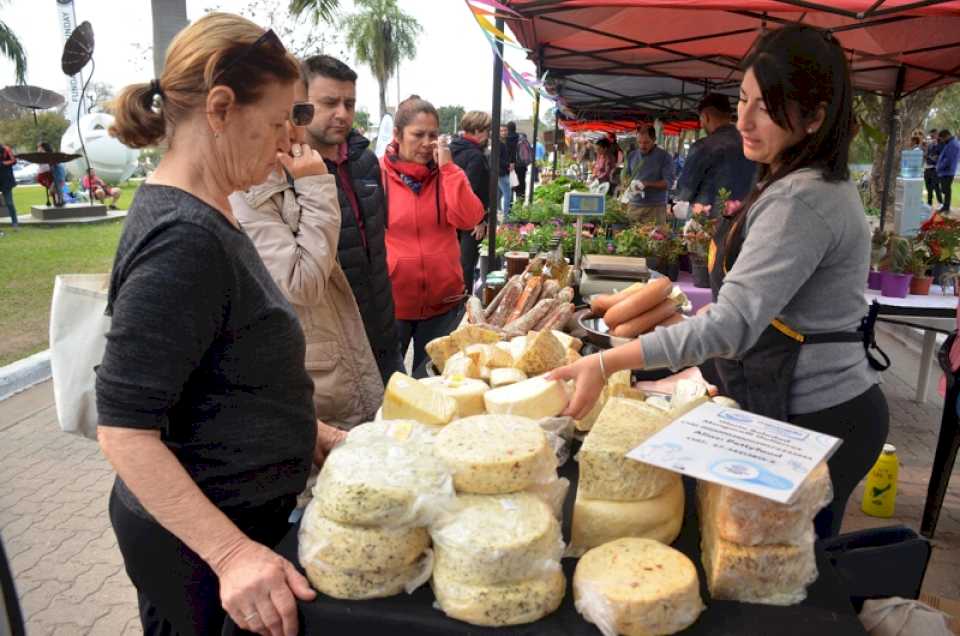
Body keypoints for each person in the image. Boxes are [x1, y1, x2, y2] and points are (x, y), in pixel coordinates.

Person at [551, 25, 889, 541]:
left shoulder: (803, 198)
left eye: (767, 107)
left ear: (815, 118)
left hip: (820, 418)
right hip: (813, 407)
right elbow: (767, 306)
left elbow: (733, 327)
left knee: (782, 575)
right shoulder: (803, 182)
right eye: (743, 100)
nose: (745, 122)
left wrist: (604, 360)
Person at [98, 14, 330, 635]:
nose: (286, 142)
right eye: (279, 122)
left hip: (238, 519)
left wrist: (311, 433)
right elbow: (124, 431)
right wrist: (230, 555)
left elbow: (224, 368)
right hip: (201, 548)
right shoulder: (184, 238)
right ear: (221, 108)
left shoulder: (213, 211)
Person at [230, 71, 383, 431]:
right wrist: (316, 186)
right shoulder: (250, 190)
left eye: (298, 115)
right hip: (317, 376)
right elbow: (303, 283)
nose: (295, 130)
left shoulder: (356, 162)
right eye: (326, 104)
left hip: (363, 335)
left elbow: (373, 250)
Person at [297, 54, 404, 384]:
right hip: (331, 351)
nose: (342, 114)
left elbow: (376, 244)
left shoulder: (365, 161)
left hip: (384, 333)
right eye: (329, 102)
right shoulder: (287, 172)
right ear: (300, 104)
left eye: (349, 103)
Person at [381, 95, 485, 374]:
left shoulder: (447, 175)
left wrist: (449, 169)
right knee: (388, 383)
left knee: (434, 381)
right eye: (418, 134)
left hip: (443, 302)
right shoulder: (377, 175)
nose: (427, 143)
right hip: (394, 303)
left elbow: (470, 217)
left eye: (433, 135)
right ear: (397, 135)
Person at [676, 93, 757, 212]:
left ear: (706, 117)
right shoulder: (752, 145)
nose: (702, 124)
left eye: (701, 120)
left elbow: (685, 191)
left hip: (707, 221)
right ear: (730, 116)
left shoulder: (703, 147)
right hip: (745, 218)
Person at [450, 110, 491, 295]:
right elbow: (470, 192)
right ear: (476, 130)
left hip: (452, 218)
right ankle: (464, 307)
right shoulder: (475, 155)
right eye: (487, 131)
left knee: (455, 265)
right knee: (466, 266)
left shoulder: (452, 149)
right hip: (471, 222)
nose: (488, 135)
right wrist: (479, 220)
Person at [622, 125, 676, 225]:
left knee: (656, 238)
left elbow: (668, 183)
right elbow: (627, 177)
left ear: (654, 139)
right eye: (639, 142)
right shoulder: (632, 155)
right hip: (634, 206)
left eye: (646, 142)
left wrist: (646, 184)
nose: (642, 146)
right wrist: (627, 184)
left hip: (655, 207)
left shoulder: (664, 157)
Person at [36, 142, 66, 207]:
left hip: (56, 175)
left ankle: (61, 201)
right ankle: (59, 201)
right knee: (55, 189)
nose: (39, 149)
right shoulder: (40, 156)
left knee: (57, 188)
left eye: (40, 148)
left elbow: (59, 171)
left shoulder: (51, 157)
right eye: (38, 147)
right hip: (51, 175)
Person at [936, 129, 959, 212]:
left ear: (946, 136)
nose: (941, 140)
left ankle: (946, 207)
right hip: (945, 171)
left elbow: (948, 160)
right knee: (945, 189)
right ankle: (945, 206)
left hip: (947, 171)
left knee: (946, 189)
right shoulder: (949, 143)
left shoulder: (953, 144)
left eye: (942, 138)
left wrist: (939, 167)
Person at [498, 123, 515, 217]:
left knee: (502, 193)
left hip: (504, 171)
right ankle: (506, 216)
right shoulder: (498, 143)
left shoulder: (506, 142)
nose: (504, 132)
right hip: (501, 172)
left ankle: (500, 212)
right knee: (508, 194)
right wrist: (508, 165)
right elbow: (497, 158)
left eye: (505, 130)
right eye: (502, 131)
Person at [924, 128, 943, 208]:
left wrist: (929, 157)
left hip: (935, 169)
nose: (931, 137)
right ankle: (929, 204)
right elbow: (927, 155)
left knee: (936, 187)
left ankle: (941, 204)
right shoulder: (930, 144)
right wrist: (927, 156)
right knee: (929, 188)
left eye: (933, 135)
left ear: (937, 134)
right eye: (931, 135)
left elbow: (939, 157)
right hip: (927, 168)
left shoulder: (941, 144)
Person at [0, 142, 17, 229]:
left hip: (6, 180)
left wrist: (3, 163)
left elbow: (14, 161)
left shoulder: (6, 149)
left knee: (9, 203)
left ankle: (14, 222)